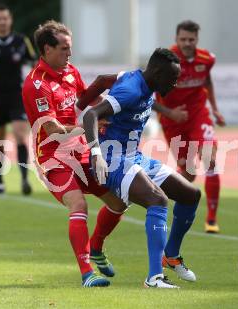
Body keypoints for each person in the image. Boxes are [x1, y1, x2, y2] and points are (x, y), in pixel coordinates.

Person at [83, 48, 202, 288]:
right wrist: (95, 153)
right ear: (157, 72)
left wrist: (80, 99)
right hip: (112, 159)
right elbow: (91, 115)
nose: (175, 84)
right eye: (173, 78)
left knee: (191, 194)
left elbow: (102, 81)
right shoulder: (131, 89)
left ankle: (172, 256)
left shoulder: (139, 80)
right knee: (157, 200)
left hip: (134, 157)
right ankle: (154, 278)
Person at [22, 20, 127, 287]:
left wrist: (113, 108)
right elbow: (52, 128)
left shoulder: (71, 72)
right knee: (78, 204)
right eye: (65, 48)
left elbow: (88, 101)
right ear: (47, 49)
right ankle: (87, 273)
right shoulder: (36, 85)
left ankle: (96, 246)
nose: (70, 54)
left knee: (119, 203)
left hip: (80, 151)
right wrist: (87, 125)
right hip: (52, 157)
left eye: (70, 48)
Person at [155, 20, 226, 233]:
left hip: (197, 115)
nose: (187, 43)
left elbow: (207, 82)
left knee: (210, 159)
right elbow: (149, 95)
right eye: (183, 39)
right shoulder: (164, 61)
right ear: (176, 39)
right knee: (188, 172)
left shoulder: (207, 59)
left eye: (191, 40)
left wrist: (214, 108)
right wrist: (170, 113)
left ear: (197, 40)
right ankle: (155, 198)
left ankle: (211, 219)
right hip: (172, 121)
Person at [0, 4, 36, 195]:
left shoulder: (21, 40)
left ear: (10, 20)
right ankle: (0, 181)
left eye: (5, 18)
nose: (2, 22)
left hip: (16, 95)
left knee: (20, 134)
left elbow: (34, 63)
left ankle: (25, 179)